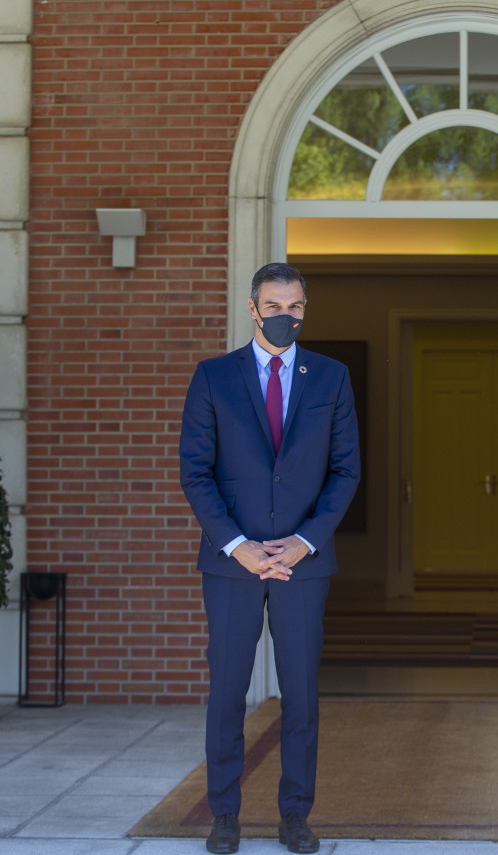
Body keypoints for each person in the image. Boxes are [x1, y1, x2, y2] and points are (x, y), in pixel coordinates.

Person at [179, 262, 360, 855]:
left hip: (304, 563)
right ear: (253, 309)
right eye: (275, 306)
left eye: (296, 306)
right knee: (227, 693)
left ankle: (294, 817)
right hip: (232, 564)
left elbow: (345, 471)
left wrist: (304, 541)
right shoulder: (213, 377)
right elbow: (195, 472)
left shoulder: (331, 378)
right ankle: (224, 816)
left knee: (301, 697)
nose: (287, 316)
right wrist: (241, 546)